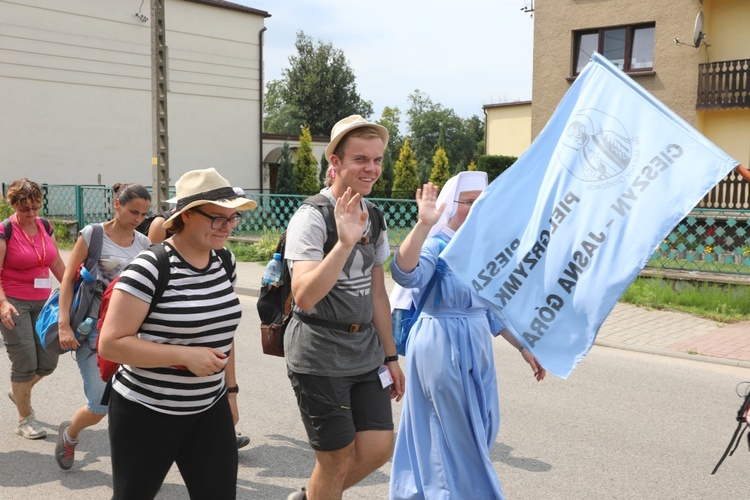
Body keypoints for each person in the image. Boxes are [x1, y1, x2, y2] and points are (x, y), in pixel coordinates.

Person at [99, 168, 256, 499]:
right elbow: (111, 344)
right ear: (185, 215)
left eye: (233, 218)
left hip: (208, 407)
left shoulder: (224, 261)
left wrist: (230, 393)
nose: (228, 227)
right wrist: (183, 355)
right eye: (218, 218)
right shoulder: (150, 267)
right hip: (146, 411)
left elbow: (222, 333)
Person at [388, 173, 546, 500]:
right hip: (439, 341)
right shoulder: (437, 244)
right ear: (452, 205)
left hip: (477, 344)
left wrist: (523, 347)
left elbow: (492, 310)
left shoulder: (482, 249)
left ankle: (427, 492)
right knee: (454, 430)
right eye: (468, 202)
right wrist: (421, 226)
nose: (475, 209)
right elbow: (404, 272)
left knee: (485, 424)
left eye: (481, 203)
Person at [284, 115, 405, 500]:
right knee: (334, 459)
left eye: (377, 159)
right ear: (334, 163)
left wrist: (391, 355)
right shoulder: (312, 216)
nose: (371, 169)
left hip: (365, 350)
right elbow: (303, 294)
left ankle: (311, 496)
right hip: (319, 352)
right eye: (360, 159)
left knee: (378, 448)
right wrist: (344, 243)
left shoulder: (376, 215)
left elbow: (378, 294)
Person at [54, 183, 152, 469]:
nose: (138, 219)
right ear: (117, 204)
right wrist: (64, 324)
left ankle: (138, 468)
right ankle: (70, 434)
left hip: (131, 331)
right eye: (133, 211)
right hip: (92, 328)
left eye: (144, 214)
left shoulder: (143, 244)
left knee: (138, 400)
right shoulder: (93, 234)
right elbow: (67, 283)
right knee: (99, 404)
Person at [0, 178, 66, 439]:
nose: (31, 213)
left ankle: (19, 390)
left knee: (49, 360)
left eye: (35, 207)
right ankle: (24, 418)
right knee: (25, 360)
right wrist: (3, 303)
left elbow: (58, 264)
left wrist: (76, 291)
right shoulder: (5, 230)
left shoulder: (45, 226)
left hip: (44, 302)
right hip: (14, 303)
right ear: (13, 204)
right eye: (25, 207)